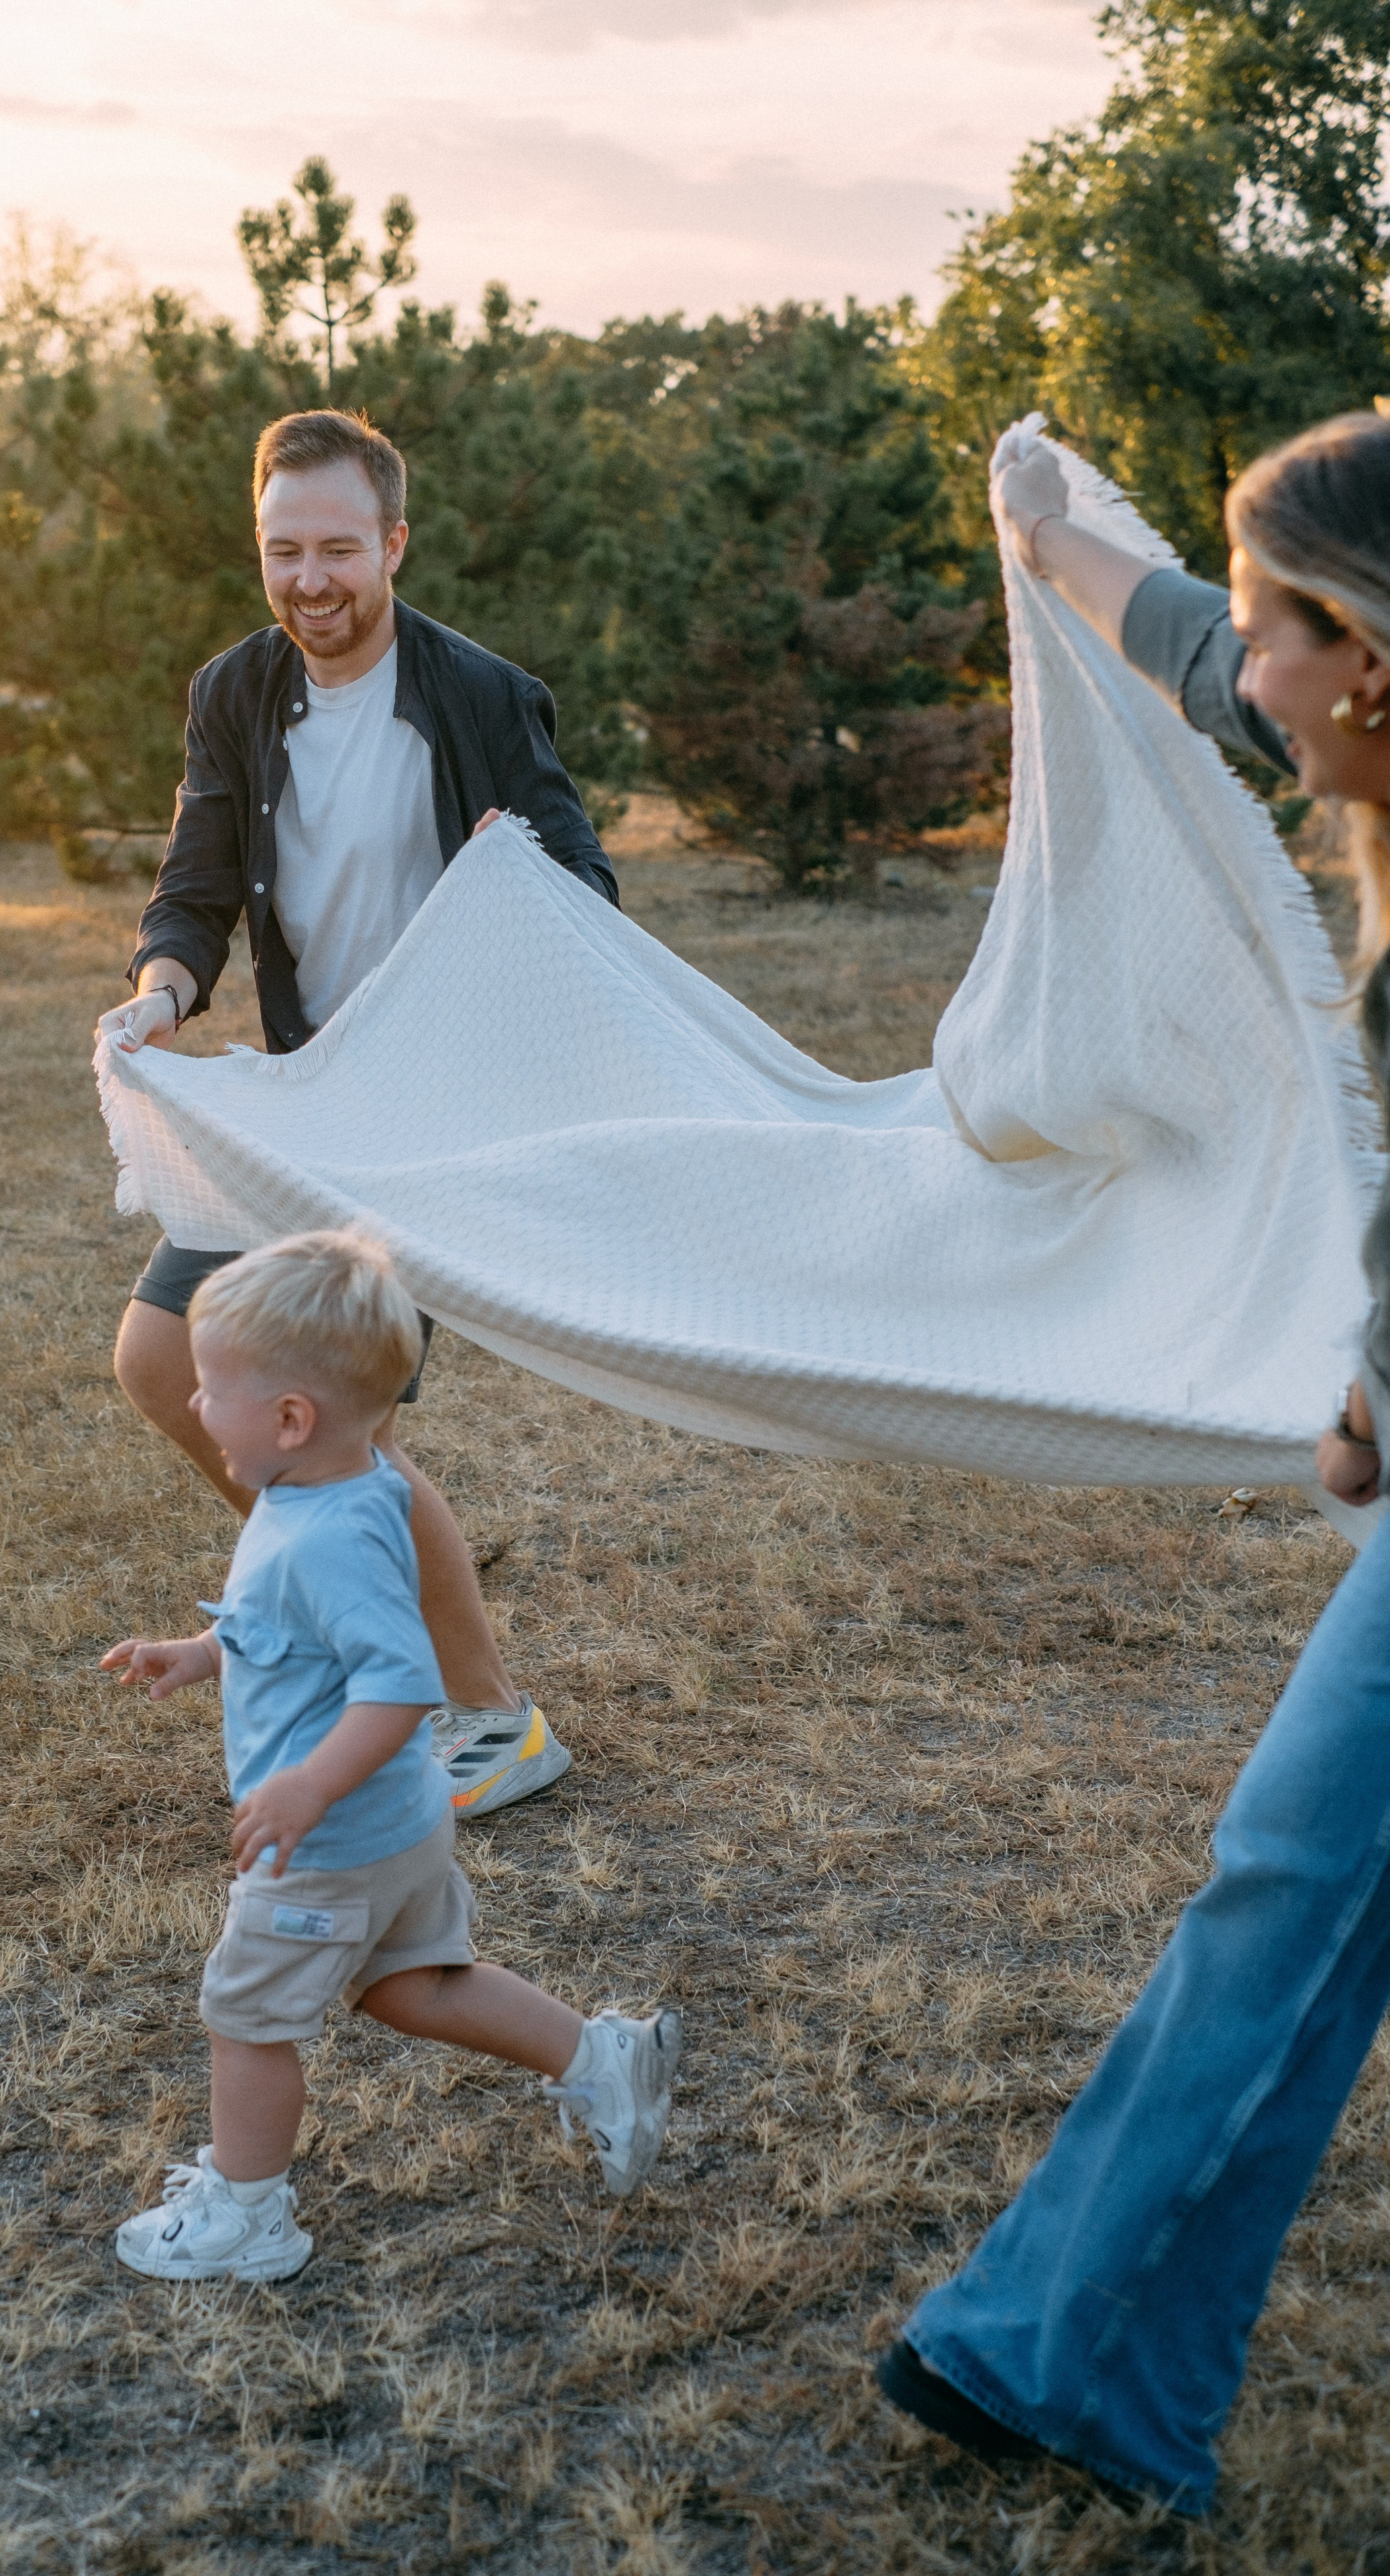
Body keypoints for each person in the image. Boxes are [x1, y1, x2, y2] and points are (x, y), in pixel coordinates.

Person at [874, 409, 1390, 2513]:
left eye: (1285, 635)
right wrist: (1048, 537)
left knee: (1294, 1880)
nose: (1251, 676)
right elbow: (1187, 649)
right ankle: (1086, 2359)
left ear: (1363, 649)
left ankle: (1061, 2344)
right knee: (1305, 1893)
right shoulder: (1360, 741)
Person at [95, 406, 620, 1821]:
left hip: (444, 1105)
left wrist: (522, 877)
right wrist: (158, 995)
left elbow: (586, 890)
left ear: (392, 543)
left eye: (337, 548)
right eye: (283, 551)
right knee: (161, 1357)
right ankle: (335, 1618)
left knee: (337, 1435)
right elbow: (193, 891)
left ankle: (489, 1717)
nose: (309, 580)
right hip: (309, 1091)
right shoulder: (234, 692)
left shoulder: (479, 695)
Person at [101, 1230, 681, 2283]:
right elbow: (291, 1628)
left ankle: (247, 2215)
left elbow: (402, 1682)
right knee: (413, 1984)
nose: (192, 1406)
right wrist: (203, 1650)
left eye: (211, 1388)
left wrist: (306, 1785)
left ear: (289, 1417)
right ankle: (604, 2058)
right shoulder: (342, 1486)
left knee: (245, 2015)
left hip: (331, 1840)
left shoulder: (325, 1531)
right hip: (398, 1828)